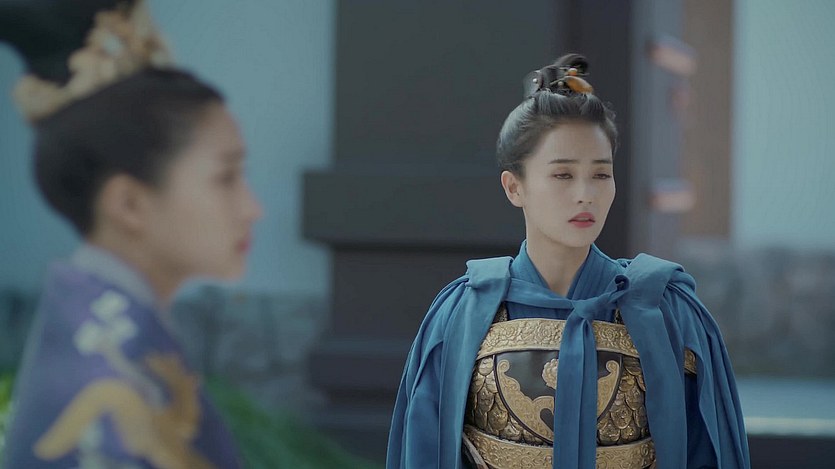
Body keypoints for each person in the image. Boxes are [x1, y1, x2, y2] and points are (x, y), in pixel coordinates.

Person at [386, 54, 750, 469]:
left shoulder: (666, 310)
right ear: (514, 187)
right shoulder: (463, 314)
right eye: (563, 175)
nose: (585, 195)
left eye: (601, 174)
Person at [0, 0, 261, 467]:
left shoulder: (105, 342)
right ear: (129, 204)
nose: (252, 209)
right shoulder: (110, 388)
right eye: (226, 178)